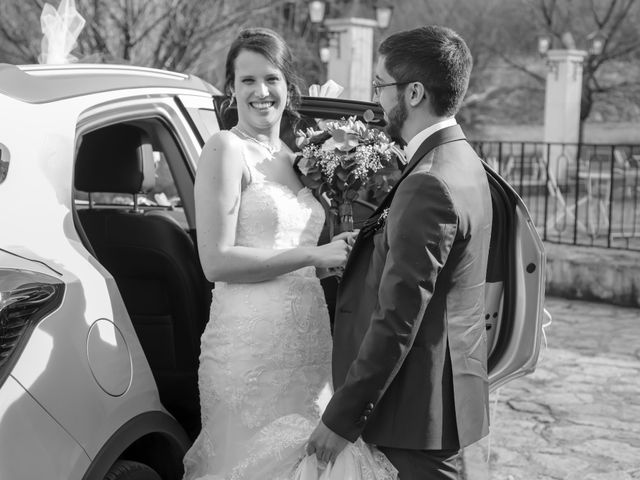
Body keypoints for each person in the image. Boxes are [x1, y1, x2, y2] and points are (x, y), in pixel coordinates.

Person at [182, 27, 397, 480]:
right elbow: (215, 262)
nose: (261, 92)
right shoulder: (226, 149)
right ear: (231, 89)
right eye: (248, 81)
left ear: (289, 87)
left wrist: (345, 252)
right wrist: (313, 257)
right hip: (249, 347)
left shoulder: (298, 157)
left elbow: (305, 250)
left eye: (272, 79)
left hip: (311, 341)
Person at [307, 25, 493, 480]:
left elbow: (398, 318)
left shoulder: (428, 182)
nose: (374, 100)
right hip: (437, 404)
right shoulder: (464, 160)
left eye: (379, 86)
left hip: (411, 415)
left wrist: (342, 418)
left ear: (412, 93)